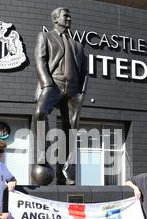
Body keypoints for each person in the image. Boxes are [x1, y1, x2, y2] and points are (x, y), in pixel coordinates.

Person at [33, 7, 88, 185]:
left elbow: (85, 72)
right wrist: (46, 83)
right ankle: (42, 153)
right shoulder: (45, 37)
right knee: (40, 113)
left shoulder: (78, 46)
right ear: (55, 19)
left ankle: (67, 168)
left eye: (70, 15)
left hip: (73, 90)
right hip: (53, 84)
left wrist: (82, 92)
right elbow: (40, 60)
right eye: (66, 16)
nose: (69, 18)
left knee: (71, 128)